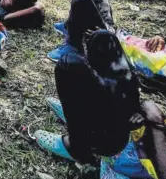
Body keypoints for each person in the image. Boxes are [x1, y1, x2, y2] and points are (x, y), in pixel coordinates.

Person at [35, 26, 140, 163]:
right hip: (119, 128)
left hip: (105, 143)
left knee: (68, 65)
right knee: (103, 37)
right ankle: (82, 113)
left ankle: (77, 147)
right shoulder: (128, 80)